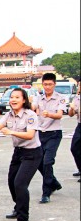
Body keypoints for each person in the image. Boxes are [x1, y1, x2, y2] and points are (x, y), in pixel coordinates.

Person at [0, 88, 42, 221]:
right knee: (11, 181)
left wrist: (11, 131)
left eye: (17, 97)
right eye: (12, 97)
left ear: (24, 100)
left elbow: (30, 135)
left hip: (32, 153)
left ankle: (23, 218)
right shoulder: (9, 115)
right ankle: (18, 206)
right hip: (18, 152)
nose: (13, 100)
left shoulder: (30, 115)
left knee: (20, 183)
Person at [33, 73, 67, 203]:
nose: (47, 87)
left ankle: (46, 192)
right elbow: (33, 108)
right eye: (45, 84)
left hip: (54, 133)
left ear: (54, 84)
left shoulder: (60, 98)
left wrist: (49, 114)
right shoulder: (38, 98)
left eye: (50, 84)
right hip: (40, 133)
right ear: (42, 84)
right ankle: (53, 182)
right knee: (38, 162)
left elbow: (59, 115)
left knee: (48, 161)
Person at [68, 89, 80, 182]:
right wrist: (72, 108)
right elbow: (71, 114)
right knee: (74, 148)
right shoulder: (77, 98)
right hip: (79, 126)